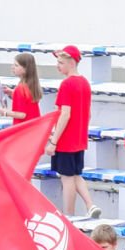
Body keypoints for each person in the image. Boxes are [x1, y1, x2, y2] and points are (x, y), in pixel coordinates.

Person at [48, 45, 97, 218]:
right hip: (79, 138)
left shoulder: (67, 84)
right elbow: (88, 114)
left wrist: (53, 141)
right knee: (76, 175)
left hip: (66, 139)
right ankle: (90, 204)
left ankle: (69, 215)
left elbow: (65, 114)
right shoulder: (84, 82)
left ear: (71, 63)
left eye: (61, 63)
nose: (58, 66)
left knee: (67, 177)